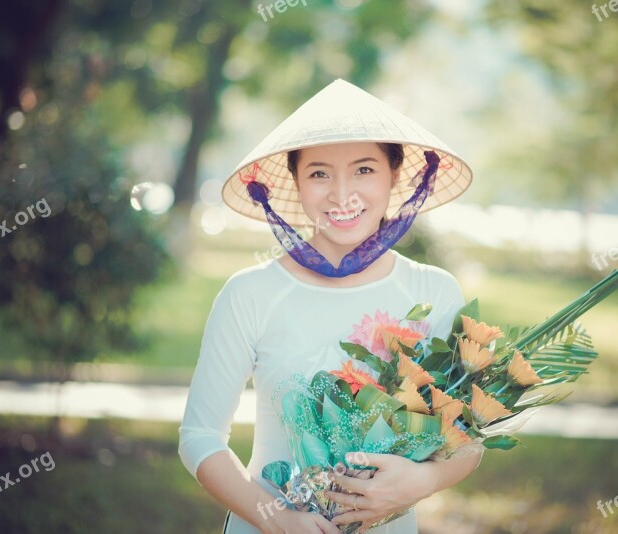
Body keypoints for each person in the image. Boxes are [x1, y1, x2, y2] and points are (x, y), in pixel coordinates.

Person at [179, 79, 479, 534]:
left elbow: (467, 440)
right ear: (295, 184)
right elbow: (199, 439)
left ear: (394, 177)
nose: (342, 195)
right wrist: (280, 520)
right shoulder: (251, 293)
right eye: (319, 173)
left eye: (364, 170)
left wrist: (422, 480)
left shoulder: (432, 292)